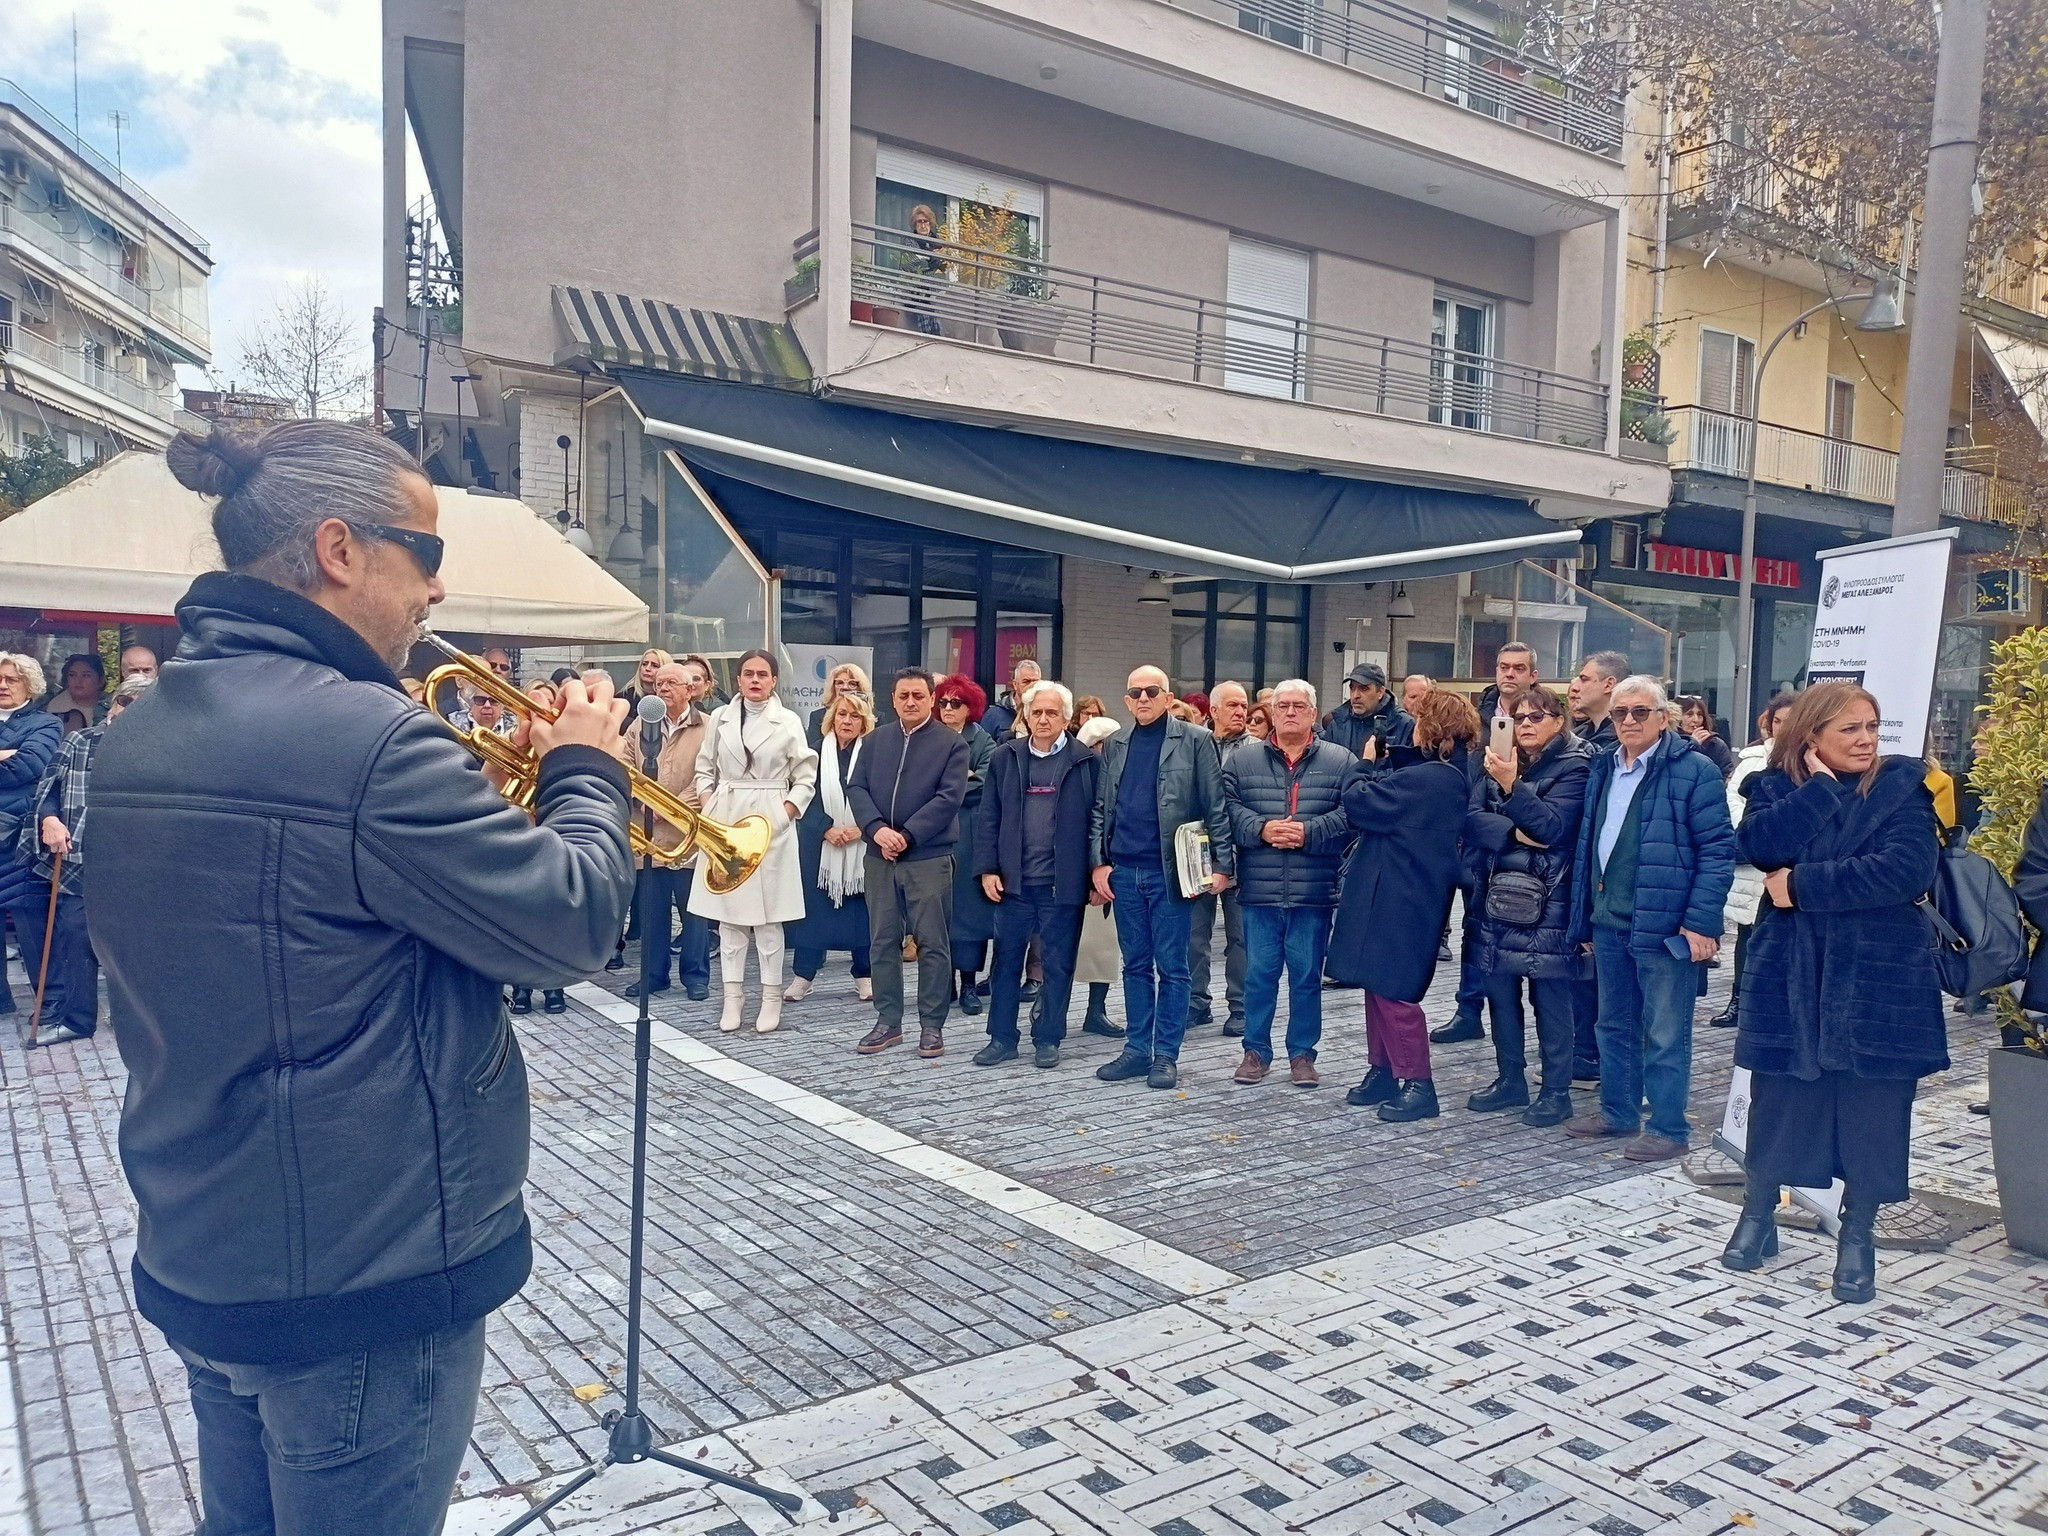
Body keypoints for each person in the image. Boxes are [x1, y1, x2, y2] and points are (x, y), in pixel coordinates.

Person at [86, 419, 634, 1536]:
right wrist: (584, 770)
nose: (438, 588)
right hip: (362, 1278)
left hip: (209, 1241)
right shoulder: (369, 739)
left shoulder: (143, 727)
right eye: (425, 554)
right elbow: (570, 924)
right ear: (340, 549)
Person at [1722, 682, 1943, 1305]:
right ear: (1811, 735)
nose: (1867, 739)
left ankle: (1858, 1235)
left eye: (1872, 726)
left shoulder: (1902, 787)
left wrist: (1803, 887)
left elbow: (1904, 873)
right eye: (1850, 729)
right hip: (1789, 978)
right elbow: (1759, 849)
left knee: (1872, 1112)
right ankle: (1758, 1216)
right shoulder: (1772, 788)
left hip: (1879, 982)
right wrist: (1818, 792)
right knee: (1779, 1102)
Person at [1565, 675, 1736, 1162]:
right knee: (1611, 1025)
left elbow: (1718, 849)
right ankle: (1618, 1112)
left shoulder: (1694, 770)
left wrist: (1701, 922)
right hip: (1609, 922)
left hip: (1665, 926)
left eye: (1641, 712)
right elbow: (1588, 846)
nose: (1629, 721)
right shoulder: (1603, 767)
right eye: (1621, 713)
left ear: (1664, 718)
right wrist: (1587, 919)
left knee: (1664, 1032)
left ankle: (1668, 1128)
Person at [1328, 690, 1481, 1120]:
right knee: (1378, 983)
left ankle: (1418, 1083)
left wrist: (1363, 763)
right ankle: (1383, 1070)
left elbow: (1361, 802)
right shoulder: (1443, 774)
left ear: (1431, 727)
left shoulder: (1433, 777)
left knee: (1394, 989)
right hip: (1396, 890)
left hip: (1401, 895)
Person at [1088, 666, 1232, 1090]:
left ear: (1169, 697)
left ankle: (1165, 1055)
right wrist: (1099, 863)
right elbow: (1101, 809)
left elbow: (1215, 805)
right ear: (1128, 701)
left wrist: (1222, 865)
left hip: (1173, 873)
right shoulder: (1115, 744)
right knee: (1134, 966)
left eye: (1153, 691)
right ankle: (1136, 1050)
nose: (1145, 698)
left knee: (1173, 968)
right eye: (1136, 692)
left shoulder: (1196, 741)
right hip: (1125, 873)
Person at [1464, 684, 1592, 1126]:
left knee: (1551, 998)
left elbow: (1553, 828)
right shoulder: (1495, 758)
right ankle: (1509, 1079)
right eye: (1518, 718)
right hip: (1496, 894)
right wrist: (1513, 832)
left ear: (1559, 721)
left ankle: (1557, 1091)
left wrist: (1510, 786)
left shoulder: (1576, 765)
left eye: (1536, 717)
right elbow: (1472, 818)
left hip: (1550, 900)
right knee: (1499, 992)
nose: (1525, 725)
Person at [1224, 680, 1353, 1087]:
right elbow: (1224, 808)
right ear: (1271, 711)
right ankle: (1255, 1051)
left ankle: (1302, 1055)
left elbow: (1353, 813)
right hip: (1259, 889)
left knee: (1306, 975)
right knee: (1259, 973)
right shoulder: (1242, 761)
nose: (1291, 712)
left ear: (1314, 714)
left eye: (1300, 705)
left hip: (1313, 890)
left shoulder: (1342, 761)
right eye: (1283, 706)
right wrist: (1261, 828)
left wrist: (1309, 831)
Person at [17, 674, 152, 1045]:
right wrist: (50, 819)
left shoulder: (161, 751)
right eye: (125, 703)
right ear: (114, 705)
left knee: (133, 946)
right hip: (78, 859)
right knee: (73, 937)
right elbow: (48, 789)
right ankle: (77, 1020)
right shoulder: (79, 741)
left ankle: (137, 1023)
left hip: (136, 863)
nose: (128, 712)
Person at [688, 648, 817, 1035]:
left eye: (763, 673)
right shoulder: (721, 719)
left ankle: (771, 996)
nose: (755, 680)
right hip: (727, 817)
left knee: (768, 920)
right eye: (748, 673)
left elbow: (806, 775)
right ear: (738, 680)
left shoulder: (788, 721)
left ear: (774, 680)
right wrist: (710, 804)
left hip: (769, 819)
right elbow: (704, 767)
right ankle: (732, 998)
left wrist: (783, 814)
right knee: (729, 918)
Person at [973, 681, 1100, 1067]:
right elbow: (988, 816)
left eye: (1051, 712)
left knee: (1058, 964)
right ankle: (1002, 1038)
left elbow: (1098, 821)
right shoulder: (1004, 757)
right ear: (1025, 715)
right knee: (1006, 962)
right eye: (1036, 712)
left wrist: (1095, 872)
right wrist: (988, 869)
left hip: (1063, 884)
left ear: (1065, 717)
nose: (1043, 719)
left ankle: (1048, 1037)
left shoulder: (1086, 761)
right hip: (1013, 882)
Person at [850, 668, 970, 1056]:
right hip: (880, 857)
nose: (911, 702)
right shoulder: (873, 741)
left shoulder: (951, 744)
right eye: (904, 695)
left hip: (928, 857)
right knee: (882, 941)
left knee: (933, 942)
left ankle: (932, 1025)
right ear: (893, 699)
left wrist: (907, 835)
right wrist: (875, 829)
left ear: (932, 700)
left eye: (919, 695)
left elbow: (948, 798)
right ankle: (888, 1022)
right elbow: (857, 786)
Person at [619, 661, 713, 1002]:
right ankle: (653, 976)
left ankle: (695, 977)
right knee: (651, 913)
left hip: (688, 836)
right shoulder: (639, 726)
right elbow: (624, 765)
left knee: (695, 914)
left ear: (691, 689)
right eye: (659, 683)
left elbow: (709, 774)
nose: (663, 689)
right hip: (647, 836)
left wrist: (672, 808)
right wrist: (643, 801)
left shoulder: (709, 727)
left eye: (671, 682)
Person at [1711, 692, 1795, 1031]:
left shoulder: (1814, 760)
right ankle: (1739, 1001)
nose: (1784, 728)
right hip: (1753, 862)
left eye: (1791, 721)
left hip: (1793, 866)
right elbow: (1733, 806)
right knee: (1749, 934)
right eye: (1778, 721)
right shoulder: (1752, 761)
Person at [786, 690, 875, 1002]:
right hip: (819, 846)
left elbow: (882, 796)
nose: (846, 721)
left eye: (854, 716)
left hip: (861, 844)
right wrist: (825, 829)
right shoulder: (814, 753)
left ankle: (864, 975)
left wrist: (860, 828)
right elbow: (801, 796)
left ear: (864, 722)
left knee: (862, 912)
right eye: (841, 714)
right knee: (813, 913)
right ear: (831, 718)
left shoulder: (874, 753)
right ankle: (803, 975)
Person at [0, 654, 63, 1020]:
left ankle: (50, 1003)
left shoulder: (46, 723)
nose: (4, 685)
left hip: (19, 839)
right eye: (0, 678)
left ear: (30, 685)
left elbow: (28, 766)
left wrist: (14, 758)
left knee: (33, 926)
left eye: (13, 679)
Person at [1190, 680, 1252, 1037]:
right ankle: (1196, 1003)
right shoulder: (1193, 746)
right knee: (1194, 936)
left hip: (1244, 857)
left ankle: (1240, 1007)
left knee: (1240, 937)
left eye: (1243, 705)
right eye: (1232, 705)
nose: (1240, 712)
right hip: (1198, 855)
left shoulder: (1258, 751)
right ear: (1213, 711)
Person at [935, 675, 998, 1015]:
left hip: (969, 835)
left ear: (969, 708)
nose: (947, 709)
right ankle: (942, 983)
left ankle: (969, 984)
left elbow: (986, 782)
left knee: (970, 914)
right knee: (936, 911)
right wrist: (962, 779)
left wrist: (944, 788)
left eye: (955, 703)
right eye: (943, 702)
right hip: (933, 833)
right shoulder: (926, 737)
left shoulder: (984, 740)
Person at [1070, 714, 1129, 1042]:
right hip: (1072, 871)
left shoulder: (1120, 776)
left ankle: (1096, 1010)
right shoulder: (1080, 773)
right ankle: (1051, 1010)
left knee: (1102, 947)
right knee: (1064, 946)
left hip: (1105, 871)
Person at [1320, 661, 1412, 759]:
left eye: (1364, 689)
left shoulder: (1403, 724)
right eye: (1352, 688)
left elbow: (1407, 771)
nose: (1355, 696)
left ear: (1380, 692)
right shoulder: (1337, 725)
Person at [1567, 651, 1628, 752]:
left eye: (1584, 679)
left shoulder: (1627, 740)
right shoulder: (1574, 736)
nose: (1574, 688)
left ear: (1609, 685)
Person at [806, 661, 872, 746]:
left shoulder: (874, 717)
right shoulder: (817, 716)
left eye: (852, 683)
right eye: (840, 683)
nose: (845, 687)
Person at [983, 657, 1043, 740]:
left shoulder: (1044, 715)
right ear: (1015, 684)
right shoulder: (994, 715)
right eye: (1026, 682)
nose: (1031, 686)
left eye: (1035, 682)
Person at [1678, 695, 1735, 779]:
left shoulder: (1715, 744)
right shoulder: (1668, 741)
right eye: (1689, 714)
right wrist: (1693, 744)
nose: (1696, 720)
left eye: (1700, 715)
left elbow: (1726, 774)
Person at [46, 652, 108, 726]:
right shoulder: (56, 708)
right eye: (72, 675)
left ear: (101, 680)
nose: (78, 680)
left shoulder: (111, 704)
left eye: (86, 675)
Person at [622, 646, 671, 714]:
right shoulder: (624, 697)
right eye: (644, 664)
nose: (647, 668)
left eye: (655, 666)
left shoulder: (670, 698)